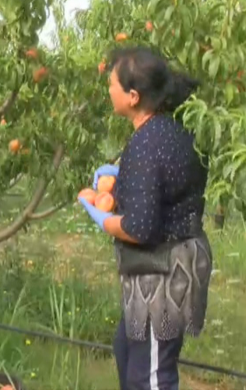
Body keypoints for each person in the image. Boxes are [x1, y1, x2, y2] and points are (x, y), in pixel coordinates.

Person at [79, 47, 212, 390]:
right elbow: (162, 183)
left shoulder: (146, 142)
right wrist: (120, 178)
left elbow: (139, 228)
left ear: (133, 96)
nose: (108, 90)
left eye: (112, 84)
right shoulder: (172, 129)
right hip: (169, 265)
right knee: (126, 350)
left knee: (150, 378)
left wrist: (100, 216)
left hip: (164, 274)